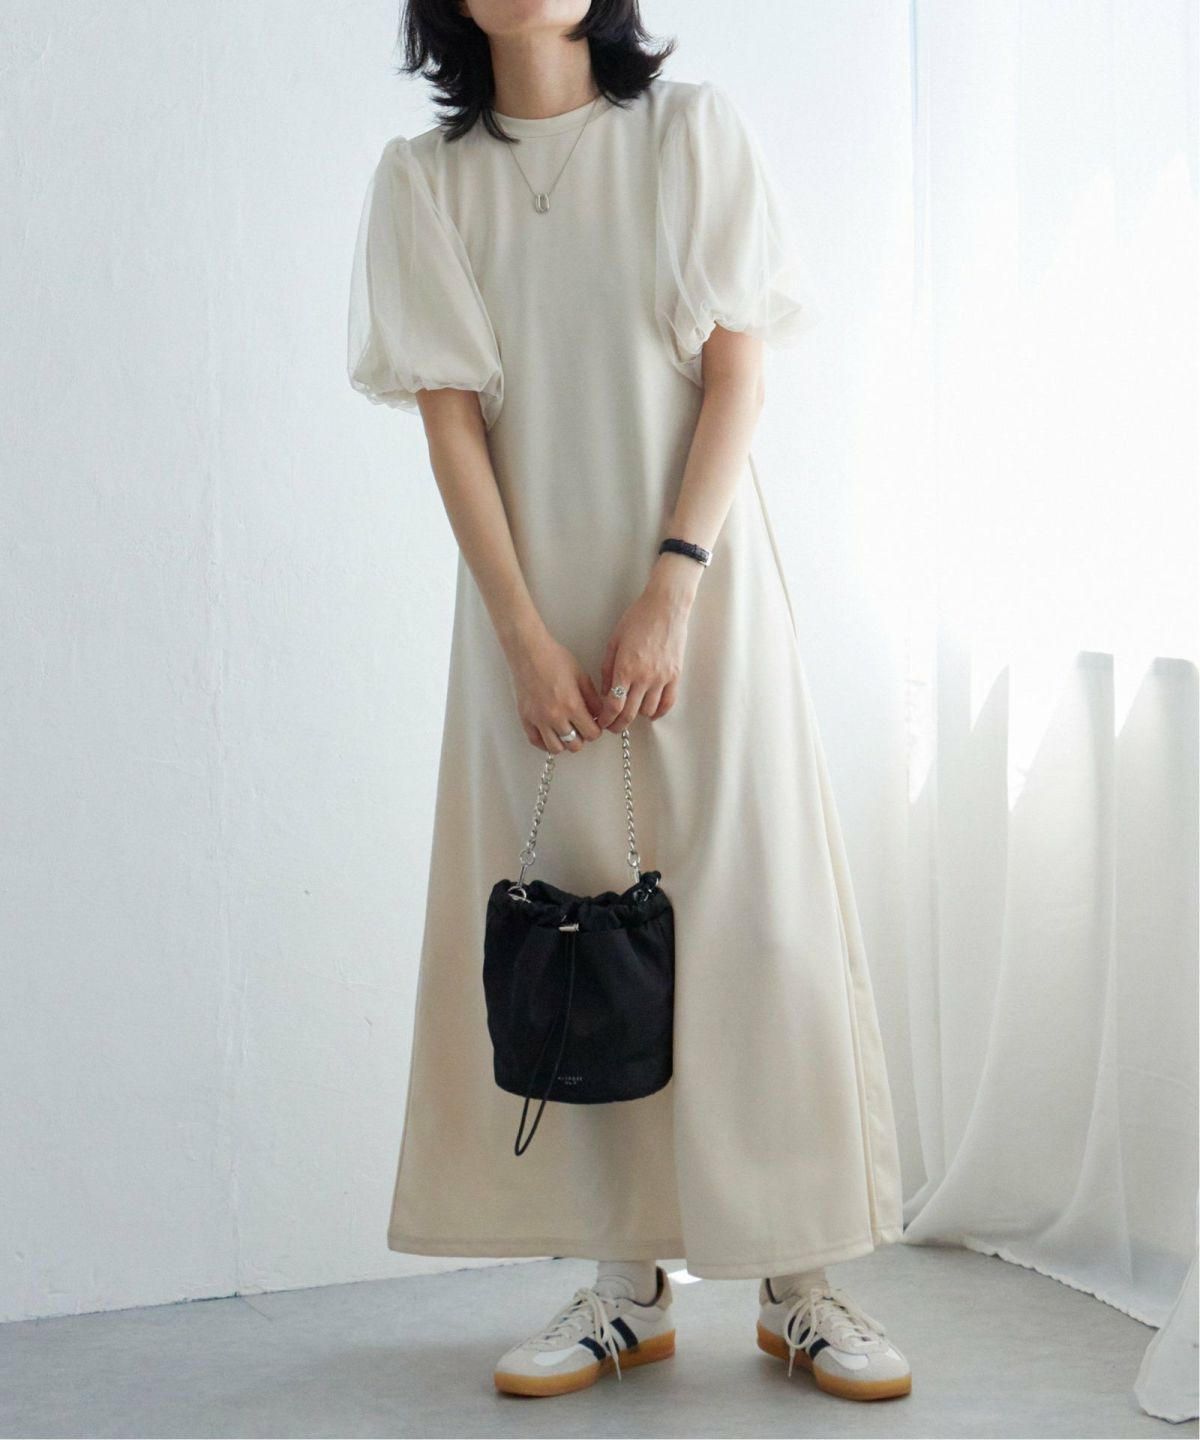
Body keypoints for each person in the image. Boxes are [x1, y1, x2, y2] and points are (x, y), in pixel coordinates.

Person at [347, 0, 911, 1403]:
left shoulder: (686, 134)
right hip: (531, 617)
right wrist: (522, 638)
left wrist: (674, 581)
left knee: (760, 918)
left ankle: (799, 1281)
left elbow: (736, 372)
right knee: (584, 933)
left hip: (701, 592)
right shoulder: (426, 182)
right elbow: (451, 425)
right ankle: (625, 1283)